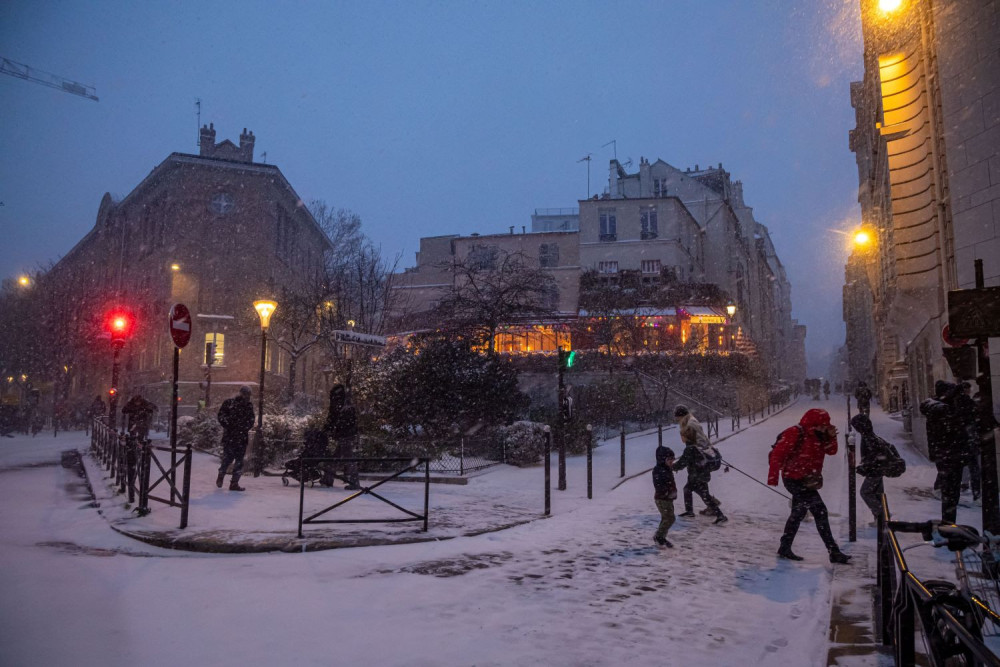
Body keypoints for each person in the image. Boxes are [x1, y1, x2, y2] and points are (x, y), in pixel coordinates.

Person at [768, 408, 851, 563]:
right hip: (793, 479)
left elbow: (831, 451)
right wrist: (773, 478)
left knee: (798, 513)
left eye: (826, 425)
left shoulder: (819, 435)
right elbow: (778, 455)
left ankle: (784, 547)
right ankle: (833, 551)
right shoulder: (795, 433)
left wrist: (831, 437)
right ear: (813, 423)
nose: (824, 427)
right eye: (822, 424)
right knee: (820, 511)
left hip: (807, 479)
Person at [920, 381, 967, 523]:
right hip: (951, 455)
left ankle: (948, 522)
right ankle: (948, 525)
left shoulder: (936, 409)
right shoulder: (943, 411)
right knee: (951, 492)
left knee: (949, 492)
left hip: (944, 455)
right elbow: (955, 431)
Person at [672, 405, 727, 524]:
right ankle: (692, 511)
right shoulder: (695, 446)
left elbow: (682, 462)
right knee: (693, 490)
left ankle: (719, 514)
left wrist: (672, 467)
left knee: (698, 492)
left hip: (697, 474)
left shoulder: (691, 448)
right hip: (700, 472)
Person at [851, 414, 896, 522]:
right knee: (878, 494)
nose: (855, 429)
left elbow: (875, 457)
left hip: (875, 472)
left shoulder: (869, 438)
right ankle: (881, 517)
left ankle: (881, 515)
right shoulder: (870, 436)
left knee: (865, 492)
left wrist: (865, 467)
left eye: (856, 427)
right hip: (878, 470)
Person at [216, 386, 255, 492]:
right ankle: (226, 478)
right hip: (234, 437)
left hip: (237, 437)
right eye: (246, 394)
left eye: (248, 394)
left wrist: (239, 427)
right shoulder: (231, 403)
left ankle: (231, 480)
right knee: (231, 459)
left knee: (235, 460)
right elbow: (221, 417)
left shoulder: (246, 405)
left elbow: (251, 420)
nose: (247, 396)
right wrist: (233, 426)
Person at [324, 384, 360, 490]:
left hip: (346, 436)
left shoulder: (342, 405)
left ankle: (354, 482)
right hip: (346, 435)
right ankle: (328, 478)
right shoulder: (344, 404)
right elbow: (334, 419)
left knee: (347, 459)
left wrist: (331, 429)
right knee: (337, 458)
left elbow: (336, 420)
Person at [954, 382, 981, 502]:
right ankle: (976, 491)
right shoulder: (969, 403)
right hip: (969, 438)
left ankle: (963, 486)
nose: (969, 391)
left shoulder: (955, 403)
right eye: (968, 389)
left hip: (961, 439)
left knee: (963, 465)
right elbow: (974, 418)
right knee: (973, 466)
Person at [652, 445, 677, 548]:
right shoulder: (658, 470)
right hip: (662, 498)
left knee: (666, 518)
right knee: (670, 518)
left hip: (668, 498)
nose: (671, 461)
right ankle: (659, 537)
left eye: (673, 459)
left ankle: (661, 537)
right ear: (663, 460)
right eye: (669, 459)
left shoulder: (666, 469)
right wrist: (666, 492)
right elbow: (658, 485)